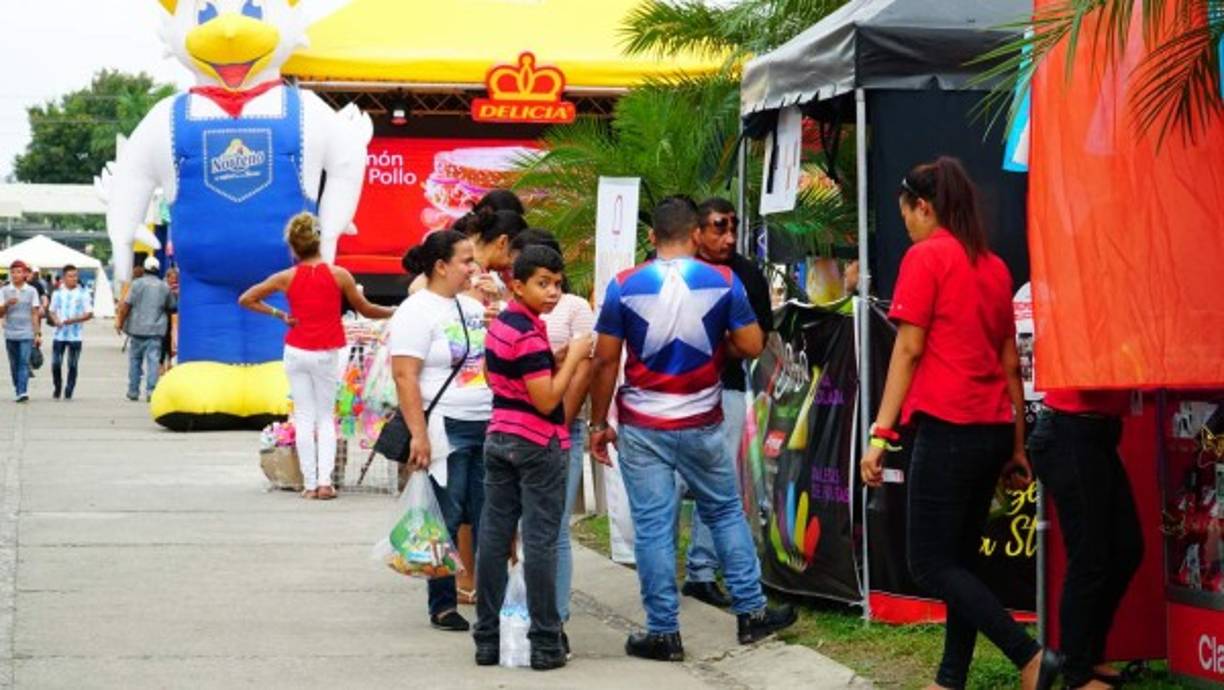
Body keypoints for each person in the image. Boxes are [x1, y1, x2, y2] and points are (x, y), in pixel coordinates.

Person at [859, 157, 1049, 690]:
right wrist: (1017, 446)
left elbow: (908, 349)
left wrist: (879, 435)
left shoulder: (925, 258)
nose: (906, 225)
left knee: (928, 563)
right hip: (992, 430)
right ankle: (949, 680)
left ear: (924, 206)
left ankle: (1029, 655)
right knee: (959, 559)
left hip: (949, 428)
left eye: (906, 214)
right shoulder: (993, 266)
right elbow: (1010, 364)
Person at [588, 196, 796, 662]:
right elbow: (753, 344)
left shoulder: (624, 285)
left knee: (653, 526)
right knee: (724, 512)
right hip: (703, 420)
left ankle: (663, 632)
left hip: (643, 425)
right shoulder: (724, 281)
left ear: (652, 236)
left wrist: (598, 423)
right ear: (695, 234)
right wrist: (718, 344)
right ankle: (751, 612)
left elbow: (604, 361)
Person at [473, 245, 593, 671]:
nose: (553, 292)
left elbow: (498, 377)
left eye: (557, 284)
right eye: (543, 283)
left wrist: (551, 360)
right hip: (537, 443)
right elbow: (545, 400)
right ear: (517, 284)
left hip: (499, 436)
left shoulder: (502, 325)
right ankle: (544, 641)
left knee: (494, 536)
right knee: (540, 541)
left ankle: (487, 638)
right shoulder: (527, 332)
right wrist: (574, 358)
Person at [240, 213, 394, 500]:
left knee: (303, 417)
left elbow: (246, 298)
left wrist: (279, 314)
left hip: (296, 351)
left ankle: (309, 485)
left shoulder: (285, 277)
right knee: (325, 417)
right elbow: (367, 309)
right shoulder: (339, 275)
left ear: (293, 247)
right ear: (318, 241)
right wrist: (395, 311)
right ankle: (325, 483)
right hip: (326, 351)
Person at [675, 197, 775, 609]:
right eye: (719, 227)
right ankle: (660, 569)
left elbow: (759, 336)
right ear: (697, 231)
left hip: (727, 388)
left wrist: (717, 350)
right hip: (672, 393)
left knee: (720, 481)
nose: (729, 237)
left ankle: (701, 570)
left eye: (734, 227)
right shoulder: (673, 269)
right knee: (669, 483)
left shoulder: (746, 273)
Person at [390, 230, 492, 633]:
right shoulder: (415, 311)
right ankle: (443, 604)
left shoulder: (473, 307)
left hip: (487, 422)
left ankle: (492, 598)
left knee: (488, 515)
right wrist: (419, 434)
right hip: (445, 424)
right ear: (440, 266)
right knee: (446, 515)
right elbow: (405, 375)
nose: (473, 268)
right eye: (466, 260)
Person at [507, 229, 595, 637]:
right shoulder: (510, 311)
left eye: (552, 280)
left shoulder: (573, 308)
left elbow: (583, 370)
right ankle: (520, 611)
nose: (549, 290)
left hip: (560, 430)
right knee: (515, 526)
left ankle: (555, 619)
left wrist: (558, 422)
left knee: (554, 527)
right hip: (516, 431)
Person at [1028, 389, 1140, 690]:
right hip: (1070, 430)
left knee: (1127, 549)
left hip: (1097, 432)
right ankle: (1076, 673)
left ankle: (1089, 657)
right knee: (1089, 557)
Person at [117, 256, 175, 401]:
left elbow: (126, 306)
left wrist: (120, 323)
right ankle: (151, 391)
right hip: (155, 331)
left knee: (135, 360)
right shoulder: (164, 287)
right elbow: (172, 306)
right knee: (153, 361)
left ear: (145, 268)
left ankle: (133, 391)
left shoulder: (136, 284)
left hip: (136, 329)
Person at [48, 264, 93, 401]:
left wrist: (74, 320)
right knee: (56, 363)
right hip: (59, 335)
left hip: (75, 336)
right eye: (70, 276)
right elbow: (52, 311)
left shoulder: (83, 293)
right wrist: (56, 320)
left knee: (72, 364)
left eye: (75, 276)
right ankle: (57, 386)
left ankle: (69, 389)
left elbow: (89, 314)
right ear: (64, 277)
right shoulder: (57, 293)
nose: (73, 278)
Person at [0, 260, 42, 402]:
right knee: (14, 364)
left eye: (18, 272)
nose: (15, 275)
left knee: (23, 362)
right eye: (12, 272)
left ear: (25, 274)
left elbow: (35, 313)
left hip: (27, 333)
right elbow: (0, 313)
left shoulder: (32, 291)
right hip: (10, 333)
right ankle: (18, 388)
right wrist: (6, 304)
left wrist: (37, 334)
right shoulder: (4, 291)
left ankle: (22, 391)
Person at [160, 267, 180, 375]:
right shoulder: (163, 288)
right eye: (172, 278)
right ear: (167, 278)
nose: (174, 280)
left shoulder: (180, 289)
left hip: (175, 322)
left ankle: (169, 367)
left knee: (172, 347)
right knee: (163, 346)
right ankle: (162, 368)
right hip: (165, 321)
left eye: (176, 278)